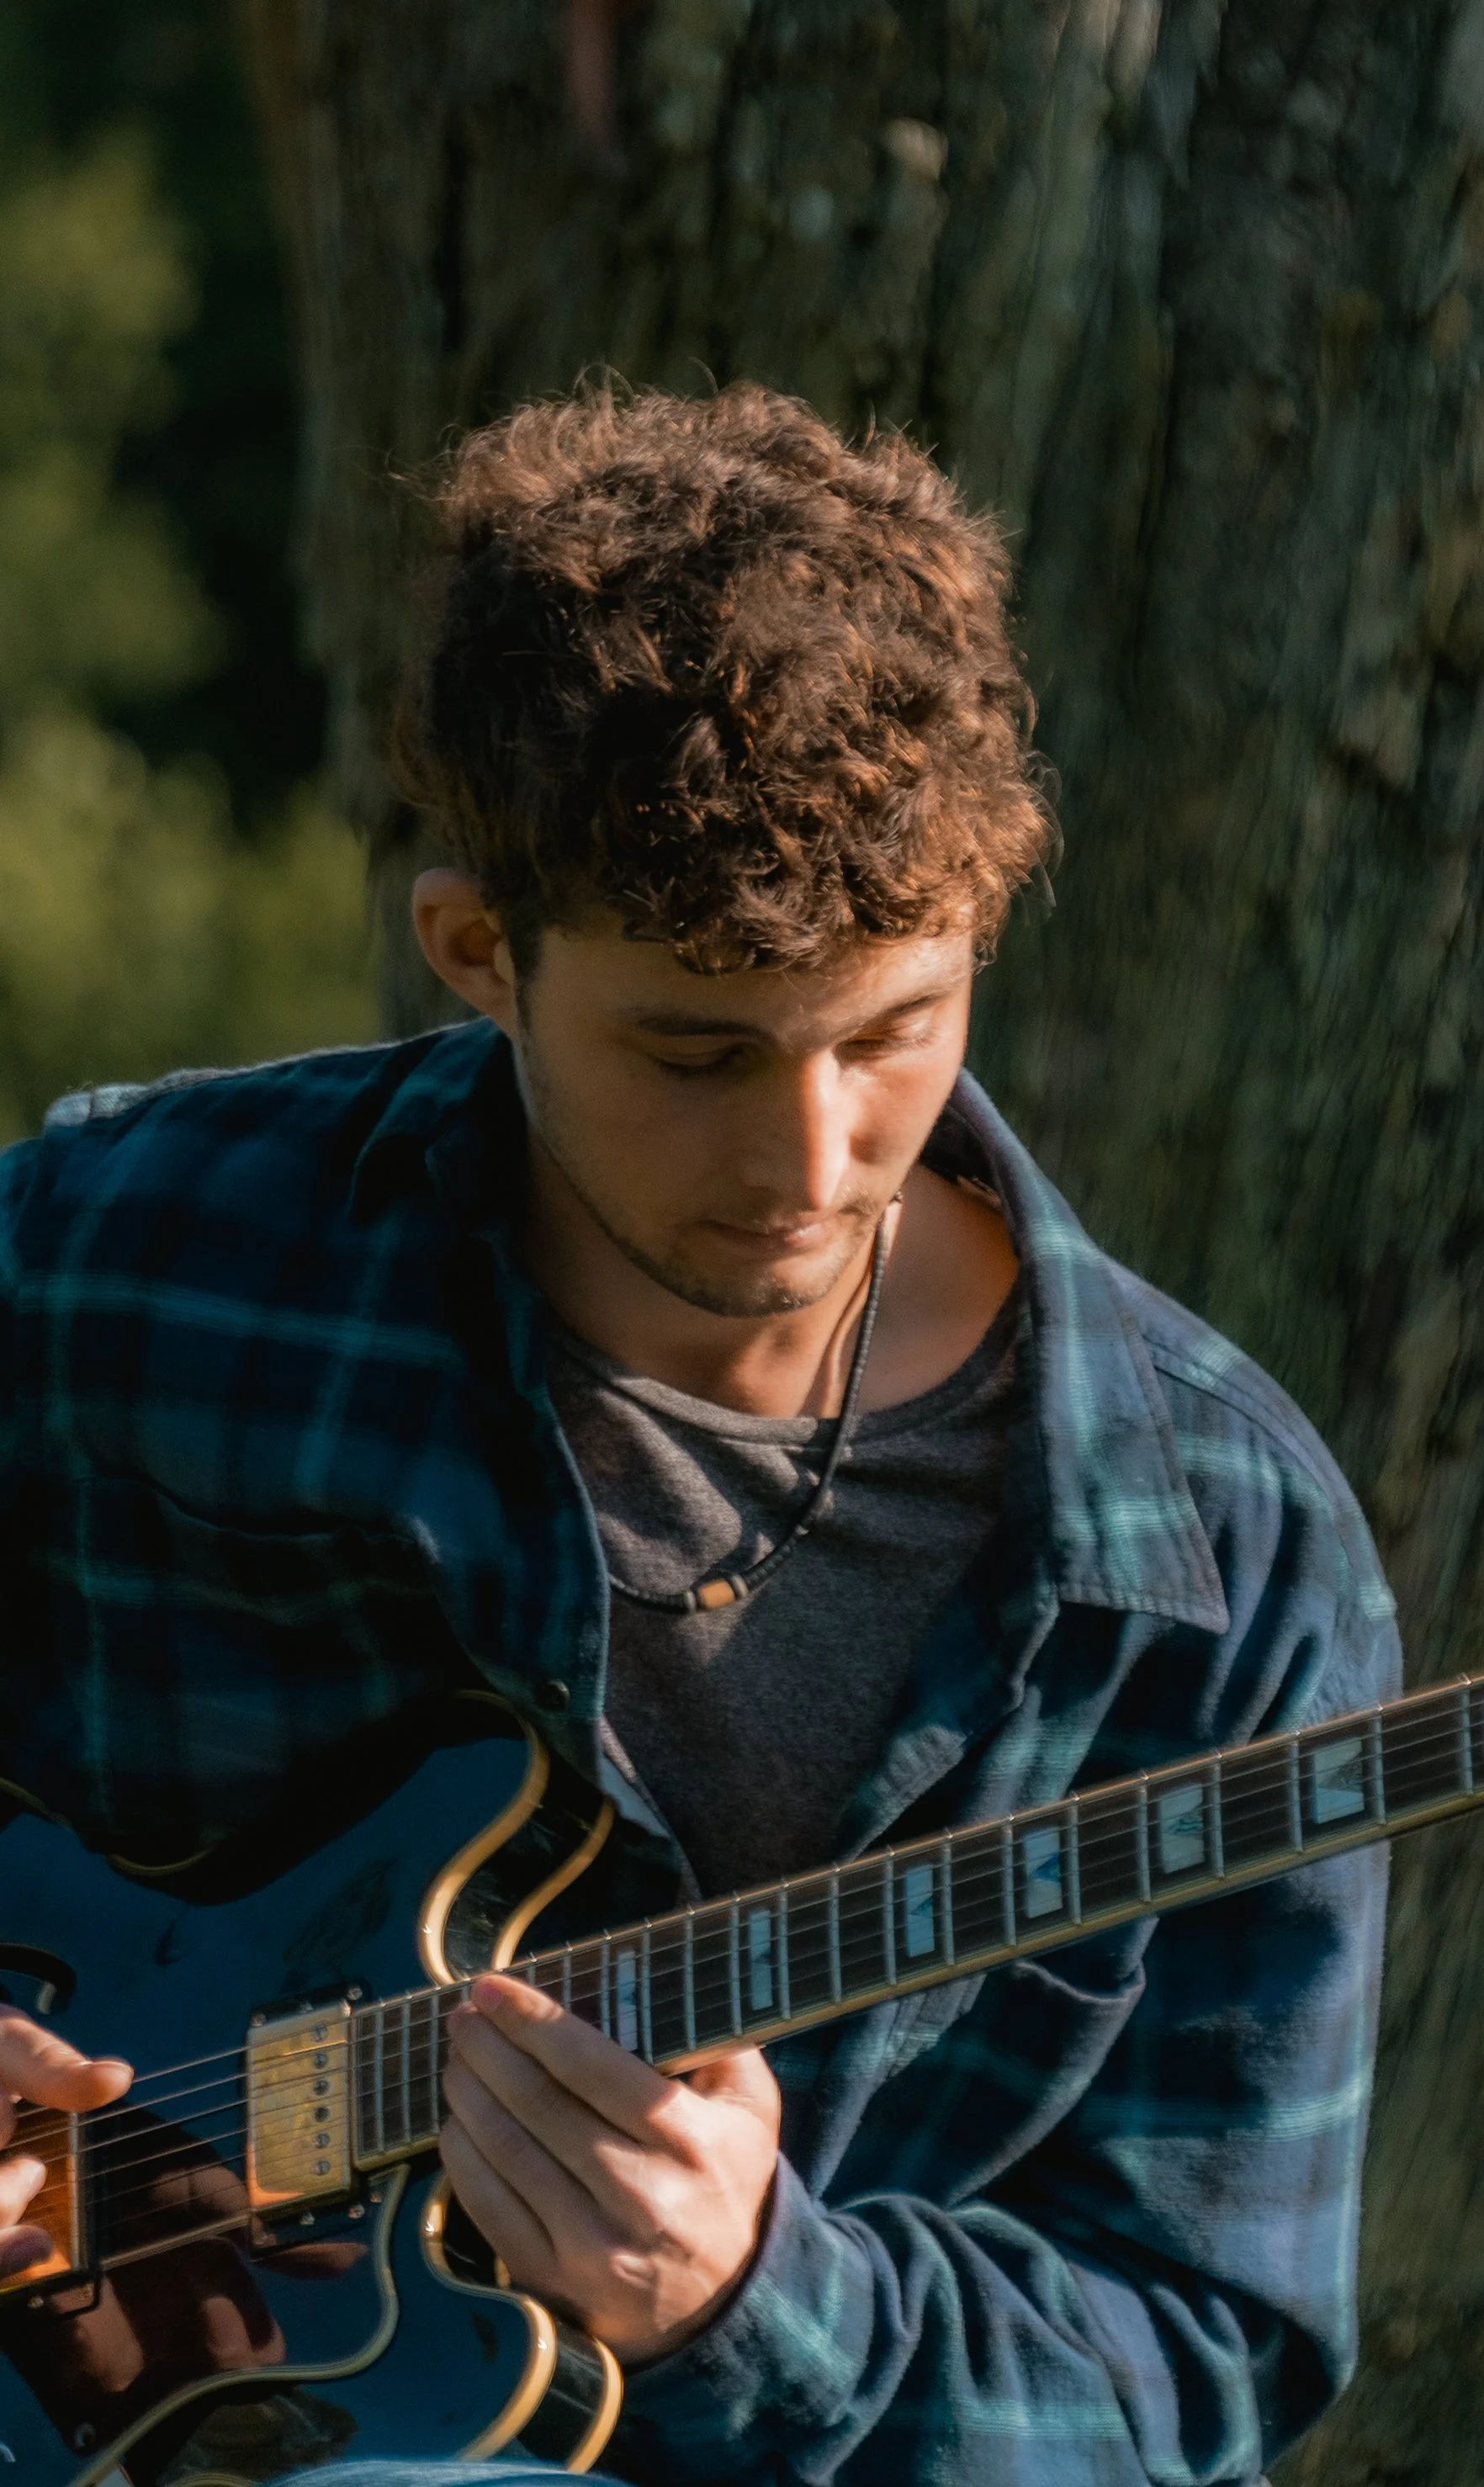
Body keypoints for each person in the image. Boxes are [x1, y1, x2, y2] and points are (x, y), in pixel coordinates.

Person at [0, 382, 1399, 2484]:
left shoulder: (1217, 1559)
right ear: (480, 951)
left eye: (893, 1030)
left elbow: (1193, 2370)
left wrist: (765, 2299)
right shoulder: (128, 1260)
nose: (812, 1152)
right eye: (698, 1047)